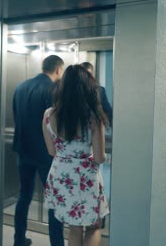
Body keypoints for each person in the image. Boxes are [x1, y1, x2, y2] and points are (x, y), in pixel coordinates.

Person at [42, 65, 109, 246]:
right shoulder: (94, 117)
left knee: (74, 227)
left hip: (62, 175)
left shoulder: (49, 114)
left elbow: (51, 151)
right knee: (94, 226)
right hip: (86, 177)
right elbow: (98, 158)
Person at [12, 55, 65, 246]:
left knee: (24, 196)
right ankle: (57, 244)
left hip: (23, 151)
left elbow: (17, 117)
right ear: (58, 70)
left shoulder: (20, 87)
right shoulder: (53, 90)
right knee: (53, 201)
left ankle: (18, 240)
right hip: (45, 154)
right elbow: (54, 124)